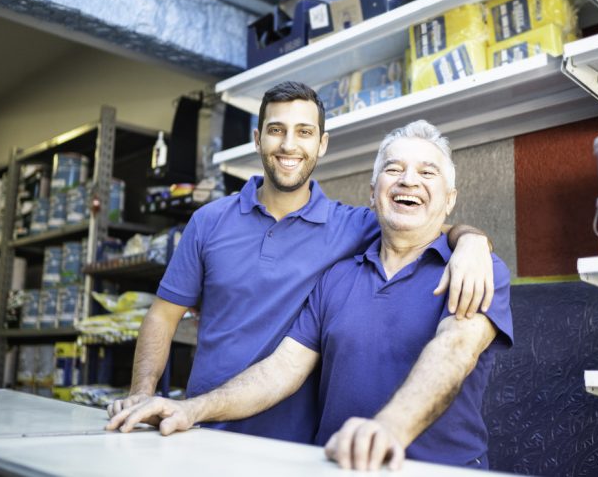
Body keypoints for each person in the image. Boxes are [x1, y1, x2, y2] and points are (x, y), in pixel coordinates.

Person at [107, 120, 513, 471]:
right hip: (335, 466)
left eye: (428, 173)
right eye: (394, 169)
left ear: (450, 200)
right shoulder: (337, 277)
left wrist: (388, 429)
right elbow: (280, 370)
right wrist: (190, 409)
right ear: (373, 194)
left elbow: (454, 352)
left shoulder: (478, 269)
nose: (409, 180)